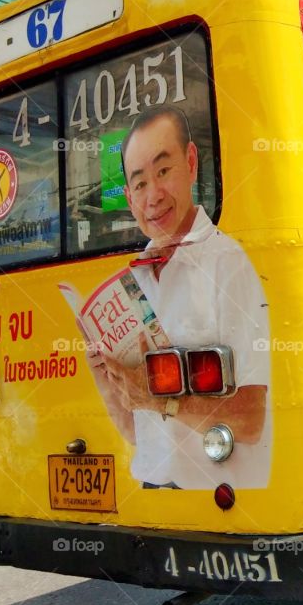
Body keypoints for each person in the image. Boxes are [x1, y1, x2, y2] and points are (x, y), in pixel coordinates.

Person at [86, 106, 271, 489]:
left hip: (217, 499)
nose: (153, 196)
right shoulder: (135, 280)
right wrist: (108, 380)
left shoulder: (227, 263)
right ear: (129, 198)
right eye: (140, 184)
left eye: (163, 171)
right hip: (153, 498)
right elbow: (139, 434)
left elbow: (251, 421)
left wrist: (159, 399)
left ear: (190, 163)